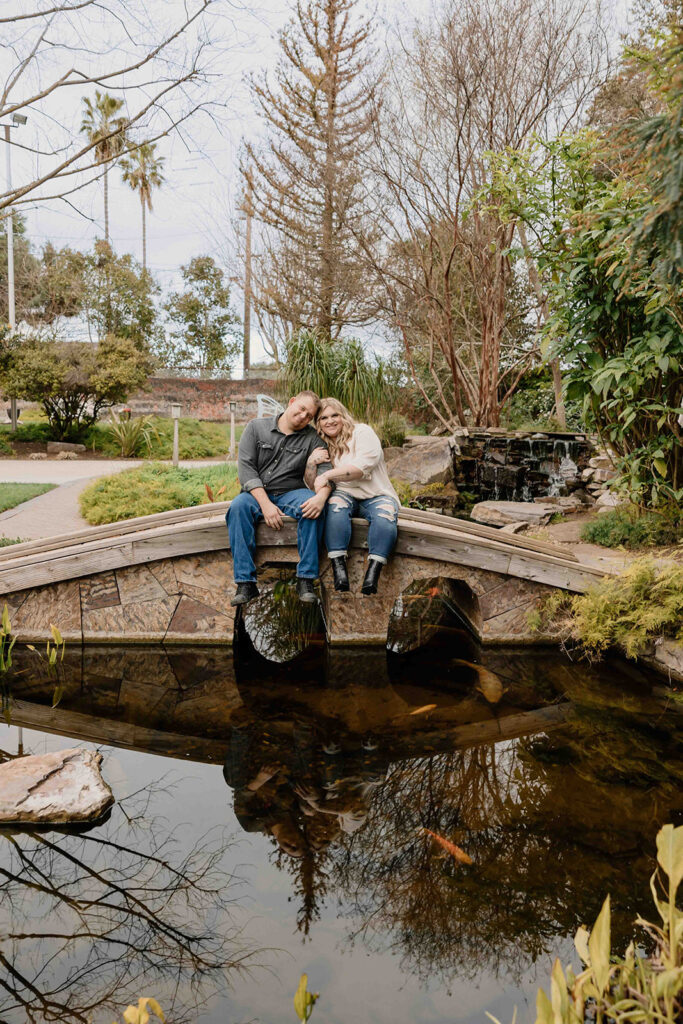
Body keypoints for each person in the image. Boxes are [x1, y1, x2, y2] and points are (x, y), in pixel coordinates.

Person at [227, 390, 332, 606]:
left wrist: (321, 497)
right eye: (301, 409)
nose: (303, 416)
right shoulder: (256, 427)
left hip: (290, 492)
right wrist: (265, 505)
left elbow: (326, 473)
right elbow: (246, 471)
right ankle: (246, 583)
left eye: (309, 415)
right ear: (291, 402)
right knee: (237, 508)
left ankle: (305, 579)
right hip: (255, 493)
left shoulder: (313, 438)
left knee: (312, 507)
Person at [307, 398, 400, 595]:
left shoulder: (362, 432)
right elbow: (312, 483)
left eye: (334, 415)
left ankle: (373, 574)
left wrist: (327, 474)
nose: (330, 421)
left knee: (385, 517)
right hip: (345, 494)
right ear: (318, 423)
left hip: (376, 493)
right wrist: (311, 464)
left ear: (343, 416)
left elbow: (360, 468)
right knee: (334, 509)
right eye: (323, 418)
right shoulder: (322, 444)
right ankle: (339, 570)